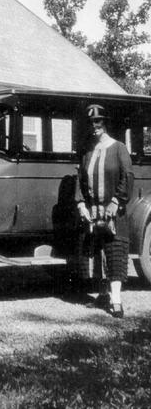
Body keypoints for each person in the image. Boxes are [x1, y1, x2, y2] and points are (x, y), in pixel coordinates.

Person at [76, 104, 132, 318]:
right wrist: (81, 204)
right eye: (91, 123)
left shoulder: (118, 148)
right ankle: (102, 295)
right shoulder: (87, 152)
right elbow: (80, 180)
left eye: (98, 122)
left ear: (105, 123)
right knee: (97, 255)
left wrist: (116, 201)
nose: (94, 126)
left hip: (113, 214)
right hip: (93, 214)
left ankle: (116, 301)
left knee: (114, 253)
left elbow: (127, 176)